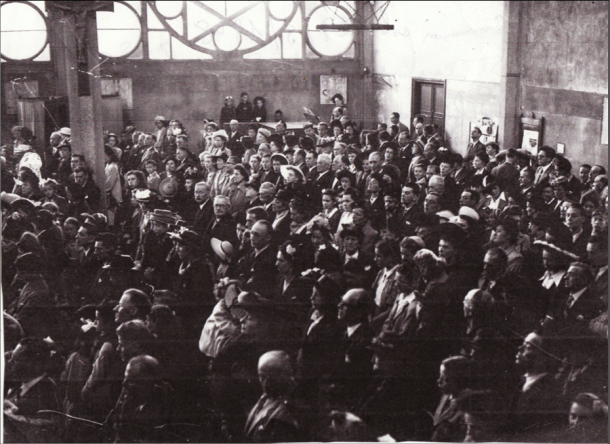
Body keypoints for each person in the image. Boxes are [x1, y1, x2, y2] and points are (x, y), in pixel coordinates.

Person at [245, 351, 300, 442]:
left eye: (270, 377)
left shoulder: (286, 411)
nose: (265, 383)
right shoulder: (264, 399)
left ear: (282, 376)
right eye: (262, 377)